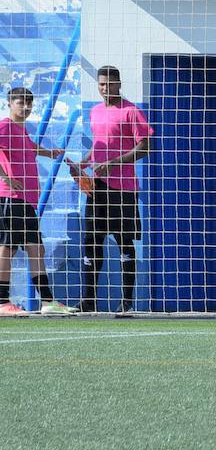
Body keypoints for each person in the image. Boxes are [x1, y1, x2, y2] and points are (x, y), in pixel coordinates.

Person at [73, 65, 152, 316]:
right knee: (91, 241)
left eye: (109, 84)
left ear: (119, 84)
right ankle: (88, 301)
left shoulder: (131, 112)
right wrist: (82, 164)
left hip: (124, 190)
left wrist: (113, 163)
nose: (105, 88)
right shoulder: (95, 112)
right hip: (97, 188)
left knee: (124, 243)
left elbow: (144, 147)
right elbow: (98, 147)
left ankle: (126, 303)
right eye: (101, 84)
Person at [0, 87, 77, 315]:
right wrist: (6, 178)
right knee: (7, 248)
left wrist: (48, 152)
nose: (25, 108)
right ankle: (2, 302)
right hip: (10, 198)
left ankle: (47, 301)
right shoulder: (4, 125)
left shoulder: (20, 130)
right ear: (9, 103)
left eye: (29, 104)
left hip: (27, 200)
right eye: (20, 103)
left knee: (36, 249)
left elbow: (28, 148)